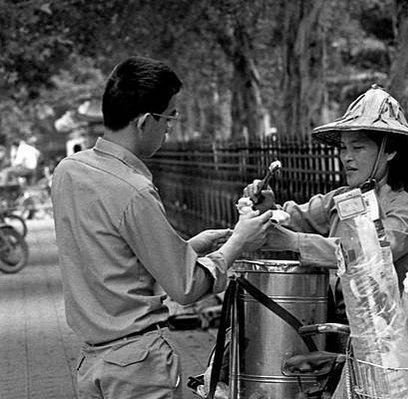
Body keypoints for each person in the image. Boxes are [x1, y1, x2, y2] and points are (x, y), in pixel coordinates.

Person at [51, 56, 273, 399]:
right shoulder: (134, 190)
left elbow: (111, 254)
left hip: (93, 362)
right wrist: (238, 243)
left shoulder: (68, 171)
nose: (169, 130)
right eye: (169, 119)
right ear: (144, 122)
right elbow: (186, 288)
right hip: (138, 367)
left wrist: (188, 247)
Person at [244, 85, 408, 397]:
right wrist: (269, 208)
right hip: (331, 330)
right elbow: (295, 216)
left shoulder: (406, 211)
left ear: (390, 150)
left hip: (385, 345)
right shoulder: (342, 198)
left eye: (357, 148)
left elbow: (366, 255)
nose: (346, 158)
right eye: (343, 149)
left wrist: (294, 241)